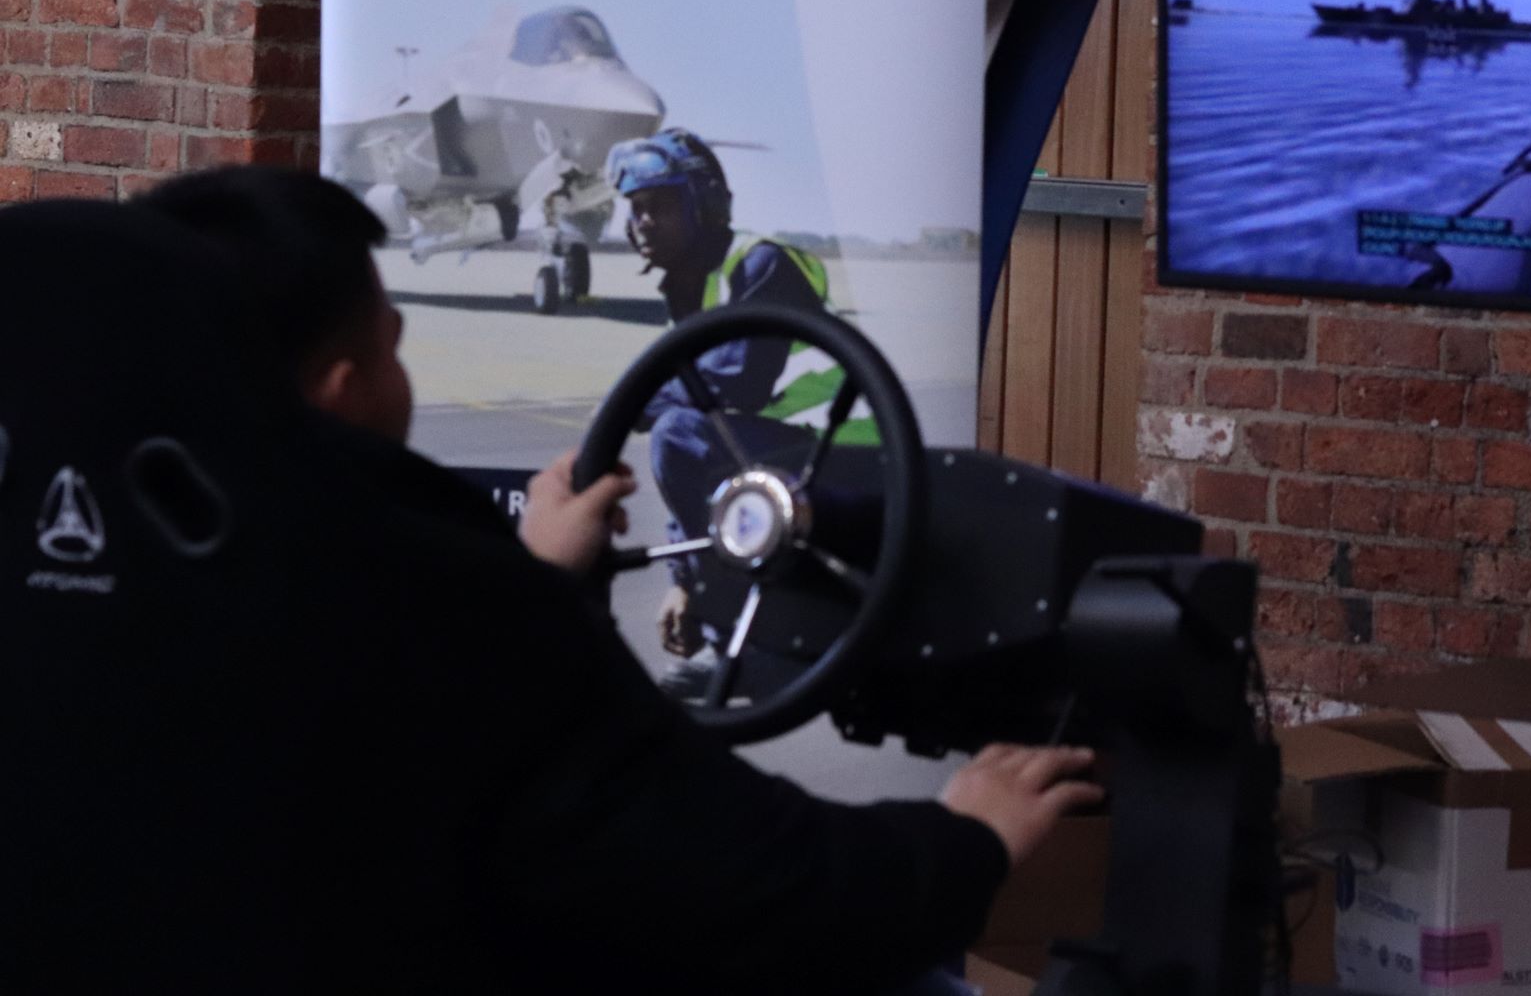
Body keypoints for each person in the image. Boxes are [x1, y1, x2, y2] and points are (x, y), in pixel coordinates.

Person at [1, 196, 1098, 992]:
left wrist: (535, 578)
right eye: (390, 346)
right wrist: (966, 838)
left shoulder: (70, 582)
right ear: (344, 393)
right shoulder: (451, 618)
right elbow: (758, 890)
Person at [142, 164, 633, 575]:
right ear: (343, 395)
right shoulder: (404, 601)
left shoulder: (116, 567)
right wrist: (548, 576)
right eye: (392, 341)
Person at [603, 128, 852, 658]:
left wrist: (630, 405)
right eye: (636, 207)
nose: (643, 220)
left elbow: (731, 383)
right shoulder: (692, 292)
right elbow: (703, 443)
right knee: (683, 434)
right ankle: (730, 623)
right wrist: (681, 579)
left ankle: (734, 616)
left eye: (661, 205)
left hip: (843, 454)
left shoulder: (758, 265)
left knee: (676, 430)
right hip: (783, 449)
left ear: (704, 205)